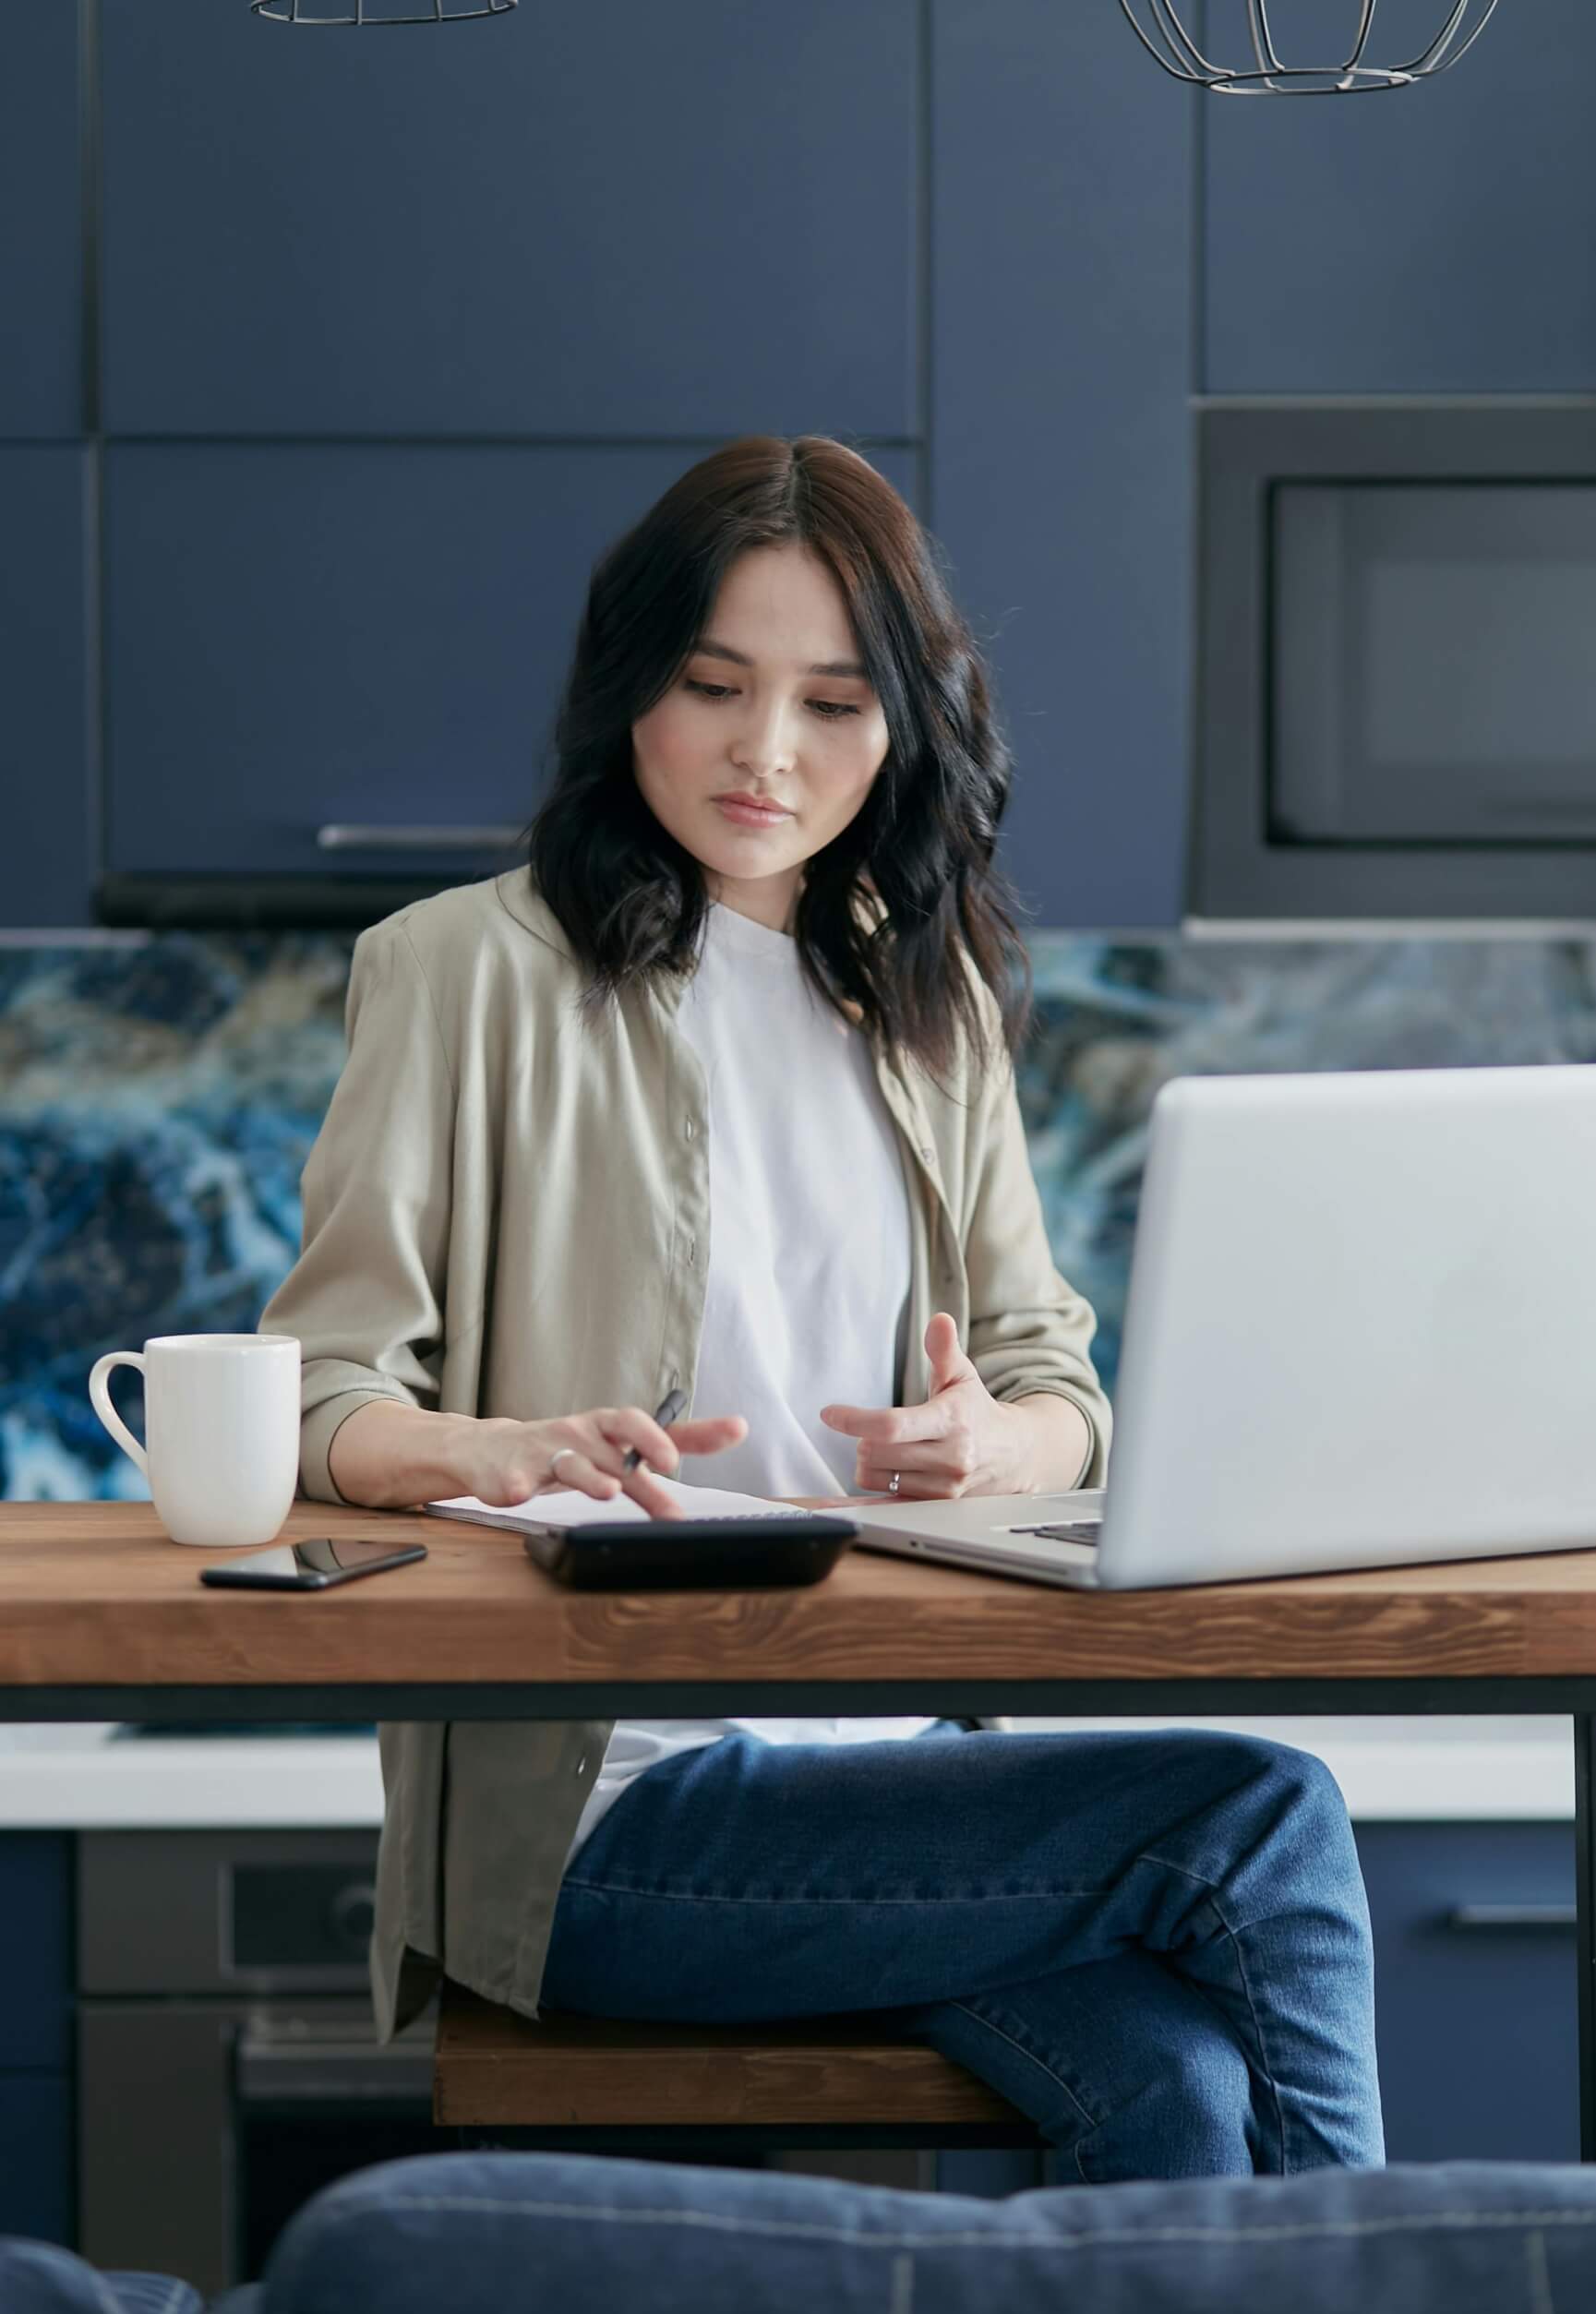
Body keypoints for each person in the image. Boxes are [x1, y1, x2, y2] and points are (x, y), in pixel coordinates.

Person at [259, 435, 1382, 2182]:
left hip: (894, 1764)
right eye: (713, 685)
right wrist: (502, 1446)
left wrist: (994, 1435)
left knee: (1179, 2094)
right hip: (614, 1819)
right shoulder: (463, 970)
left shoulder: (927, 1006)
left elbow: (1054, 1382)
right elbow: (315, 1396)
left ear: (904, 729)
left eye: (834, 703)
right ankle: (1407, 2303)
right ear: (630, 687)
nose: (765, 753)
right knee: (1259, 1815)